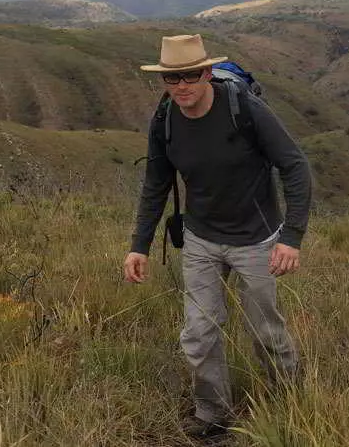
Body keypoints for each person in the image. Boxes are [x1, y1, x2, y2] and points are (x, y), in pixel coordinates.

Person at [123, 34, 312, 440]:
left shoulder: (244, 109)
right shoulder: (165, 119)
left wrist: (291, 237)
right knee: (198, 331)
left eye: (190, 75)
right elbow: (156, 183)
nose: (181, 87)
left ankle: (291, 403)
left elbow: (295, 166)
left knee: (266, 331)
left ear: (207, 72)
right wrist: (139, 245)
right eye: (171, 80)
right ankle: (213, 413)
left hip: (256, 239)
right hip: (200, 239)